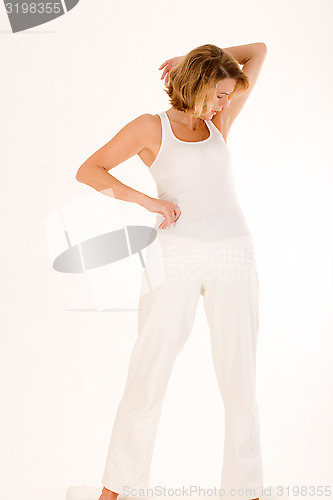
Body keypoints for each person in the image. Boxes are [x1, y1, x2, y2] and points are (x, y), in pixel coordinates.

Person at [76, 42, 267, 500]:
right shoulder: (150, 127)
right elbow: (90, 169)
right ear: (200, 85)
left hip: (235, 255)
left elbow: (257, 51)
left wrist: (191, 57)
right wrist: (148, 201)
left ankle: (248, 490)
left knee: (240, 378)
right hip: (175, 256)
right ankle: (117, 489)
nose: (226, 103)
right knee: (149, 372)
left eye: (227, 96)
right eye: (220, 93)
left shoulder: (218, 123)